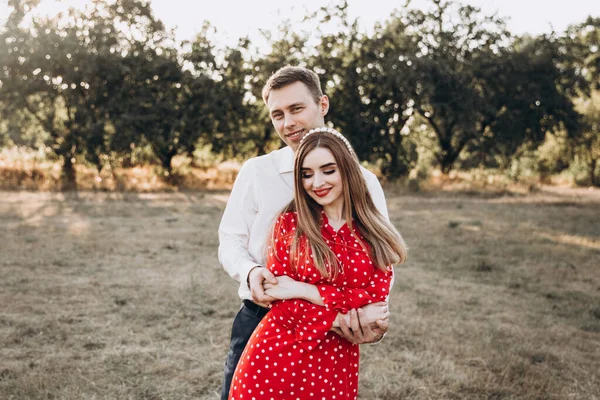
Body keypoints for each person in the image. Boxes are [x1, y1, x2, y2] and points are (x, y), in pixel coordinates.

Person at [218, 66, 391, 400]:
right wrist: (250, 271)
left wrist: (371, 320)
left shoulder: (365, 182)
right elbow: (231, 239)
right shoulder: (257, 172)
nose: (288, 123)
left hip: (337, 332)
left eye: (296, 109)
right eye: (277, 115)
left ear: (322, 104)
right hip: (261, 320)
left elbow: (380, 262)